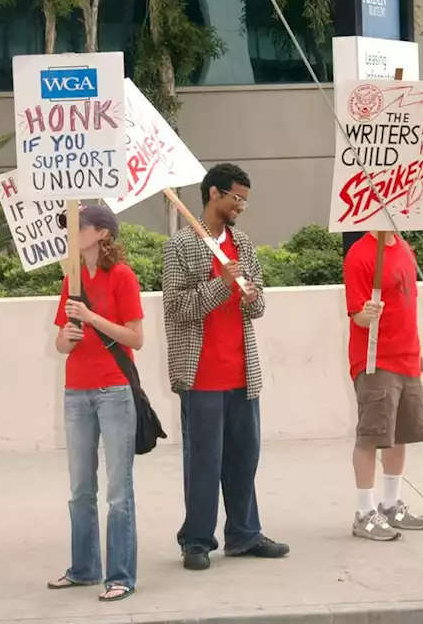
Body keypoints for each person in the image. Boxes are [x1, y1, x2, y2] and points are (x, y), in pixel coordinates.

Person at [162, 163, 290, 571]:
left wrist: (250, 296)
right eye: (236, 198)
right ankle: (197, 540)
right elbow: (176, 307)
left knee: (243, 457)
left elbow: (261, 306)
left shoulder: (244, 244)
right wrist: (222, 285)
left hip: (242, 372)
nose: (241, 207)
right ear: (214, 194)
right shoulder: (181, 245)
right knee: (203, 459)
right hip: (200, 373)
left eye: (245, 201)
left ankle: (244, 534)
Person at [46, 205, 144, 602]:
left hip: (114, 391)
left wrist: (91, 317)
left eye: (78, 226)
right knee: (80, 488)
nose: (71, 233)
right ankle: (84, 568)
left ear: (102, 233)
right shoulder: (69, 279)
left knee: (118, 490)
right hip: (76, 390)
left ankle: (120, 575)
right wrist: (69, 335)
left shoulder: (122, 276)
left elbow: (135, 338)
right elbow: (60, 343)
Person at [343, 230, 423, 541]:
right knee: (371, 435)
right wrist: (365, 315)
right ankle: (364, 512)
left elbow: (409, 306)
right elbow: (356, 313)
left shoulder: (404, 247)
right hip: (376, 358)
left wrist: (417, 351)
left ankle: (391, 504)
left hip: (407, 356)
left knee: (400, 433)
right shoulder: (360, 253)